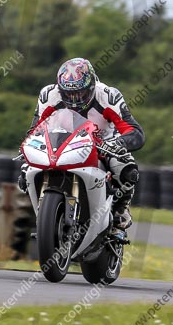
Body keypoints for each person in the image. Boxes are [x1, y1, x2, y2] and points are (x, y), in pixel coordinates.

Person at [18, 57, 145, 236]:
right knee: (25, 174)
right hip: (61, 144)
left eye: (80, 93)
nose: (74, 99)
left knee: (127, 170)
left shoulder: (108, 96)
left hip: (103, 144)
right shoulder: (49, 95)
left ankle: (119, 211)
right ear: (60, 89)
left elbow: (135, 131)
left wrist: (119, 143)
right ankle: (44, 218)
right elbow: (35, 129)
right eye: (68, 94)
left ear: (91, 86)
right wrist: (28, 147)